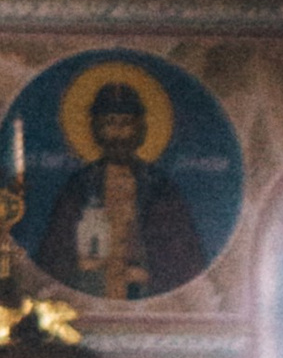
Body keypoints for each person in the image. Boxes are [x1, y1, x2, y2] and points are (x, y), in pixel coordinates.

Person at [35, 75, 205, 301]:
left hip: (144, 294)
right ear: (95, 130)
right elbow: (56, 253)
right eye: (108, 124)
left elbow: (181, 254)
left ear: (139, 129)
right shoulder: (80, 185)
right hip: (90, 291)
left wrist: (149, 269)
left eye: (125, 124)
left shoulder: (159, 186)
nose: (117, 134)